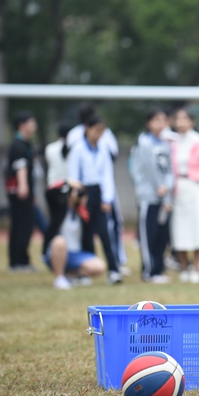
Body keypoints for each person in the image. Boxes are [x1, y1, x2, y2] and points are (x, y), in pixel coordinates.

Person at [67, 104, 128, 273]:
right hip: (83, 192)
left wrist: (107, 199)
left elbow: (107, 176)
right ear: (87, 129)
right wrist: (77, 195)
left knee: (105, 232)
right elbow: (73, 175)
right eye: (96, 130)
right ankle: (88, 268)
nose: (98, 134)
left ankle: (114, 269)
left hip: (99, 191)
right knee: (86, 233)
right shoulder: (78, 148)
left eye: (101, 131)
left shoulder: (103, 149)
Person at [170, 108, 199, 284]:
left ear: (191, 122)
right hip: (178, 188)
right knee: (180, 229)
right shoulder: (172, 142)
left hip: (196, 187)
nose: (180, 122)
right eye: (178, 119)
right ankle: (183, 267)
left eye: (184, 118)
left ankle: (196, 268)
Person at [131, 110, 175, 283]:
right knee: (148, 234)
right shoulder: (144, 142)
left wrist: (167, 191)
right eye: (157, 120)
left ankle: (158, 269)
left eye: (163, 119)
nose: (161, 123)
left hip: (163, 197)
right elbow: (150, 169)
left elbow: (169, 170)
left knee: (161, 235)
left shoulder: (164, 144)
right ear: (148, 123)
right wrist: (160, 187)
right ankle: (148, 271)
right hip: (149, 196)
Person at [42, 183, 106, 289]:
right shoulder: (59, 208)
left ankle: (72, 276)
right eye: (75, 191)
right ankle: (59, 278)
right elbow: (49, 192)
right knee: (59, 240)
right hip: (58, 251)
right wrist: (67, 182)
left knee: (99, 266)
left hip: (77, 253)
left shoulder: (84, 213)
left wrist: (83, 200)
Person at [5, 113, 38, 272]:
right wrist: (23, 186)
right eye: (31, 122)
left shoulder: (24, 144)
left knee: (23, 225)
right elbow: (20, 166)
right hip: (20, 192)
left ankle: (21, 260)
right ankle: (18, 262)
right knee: (22, 226)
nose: (34, 126)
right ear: (22, 125)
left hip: (24, 192)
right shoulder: (19, 146)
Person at [44, 123, 71, 237]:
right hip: (65, 187)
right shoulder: (72, 148)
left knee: (54, 219)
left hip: (52, 187)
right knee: (61, 220)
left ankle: (51, 243)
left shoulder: (50, 148)